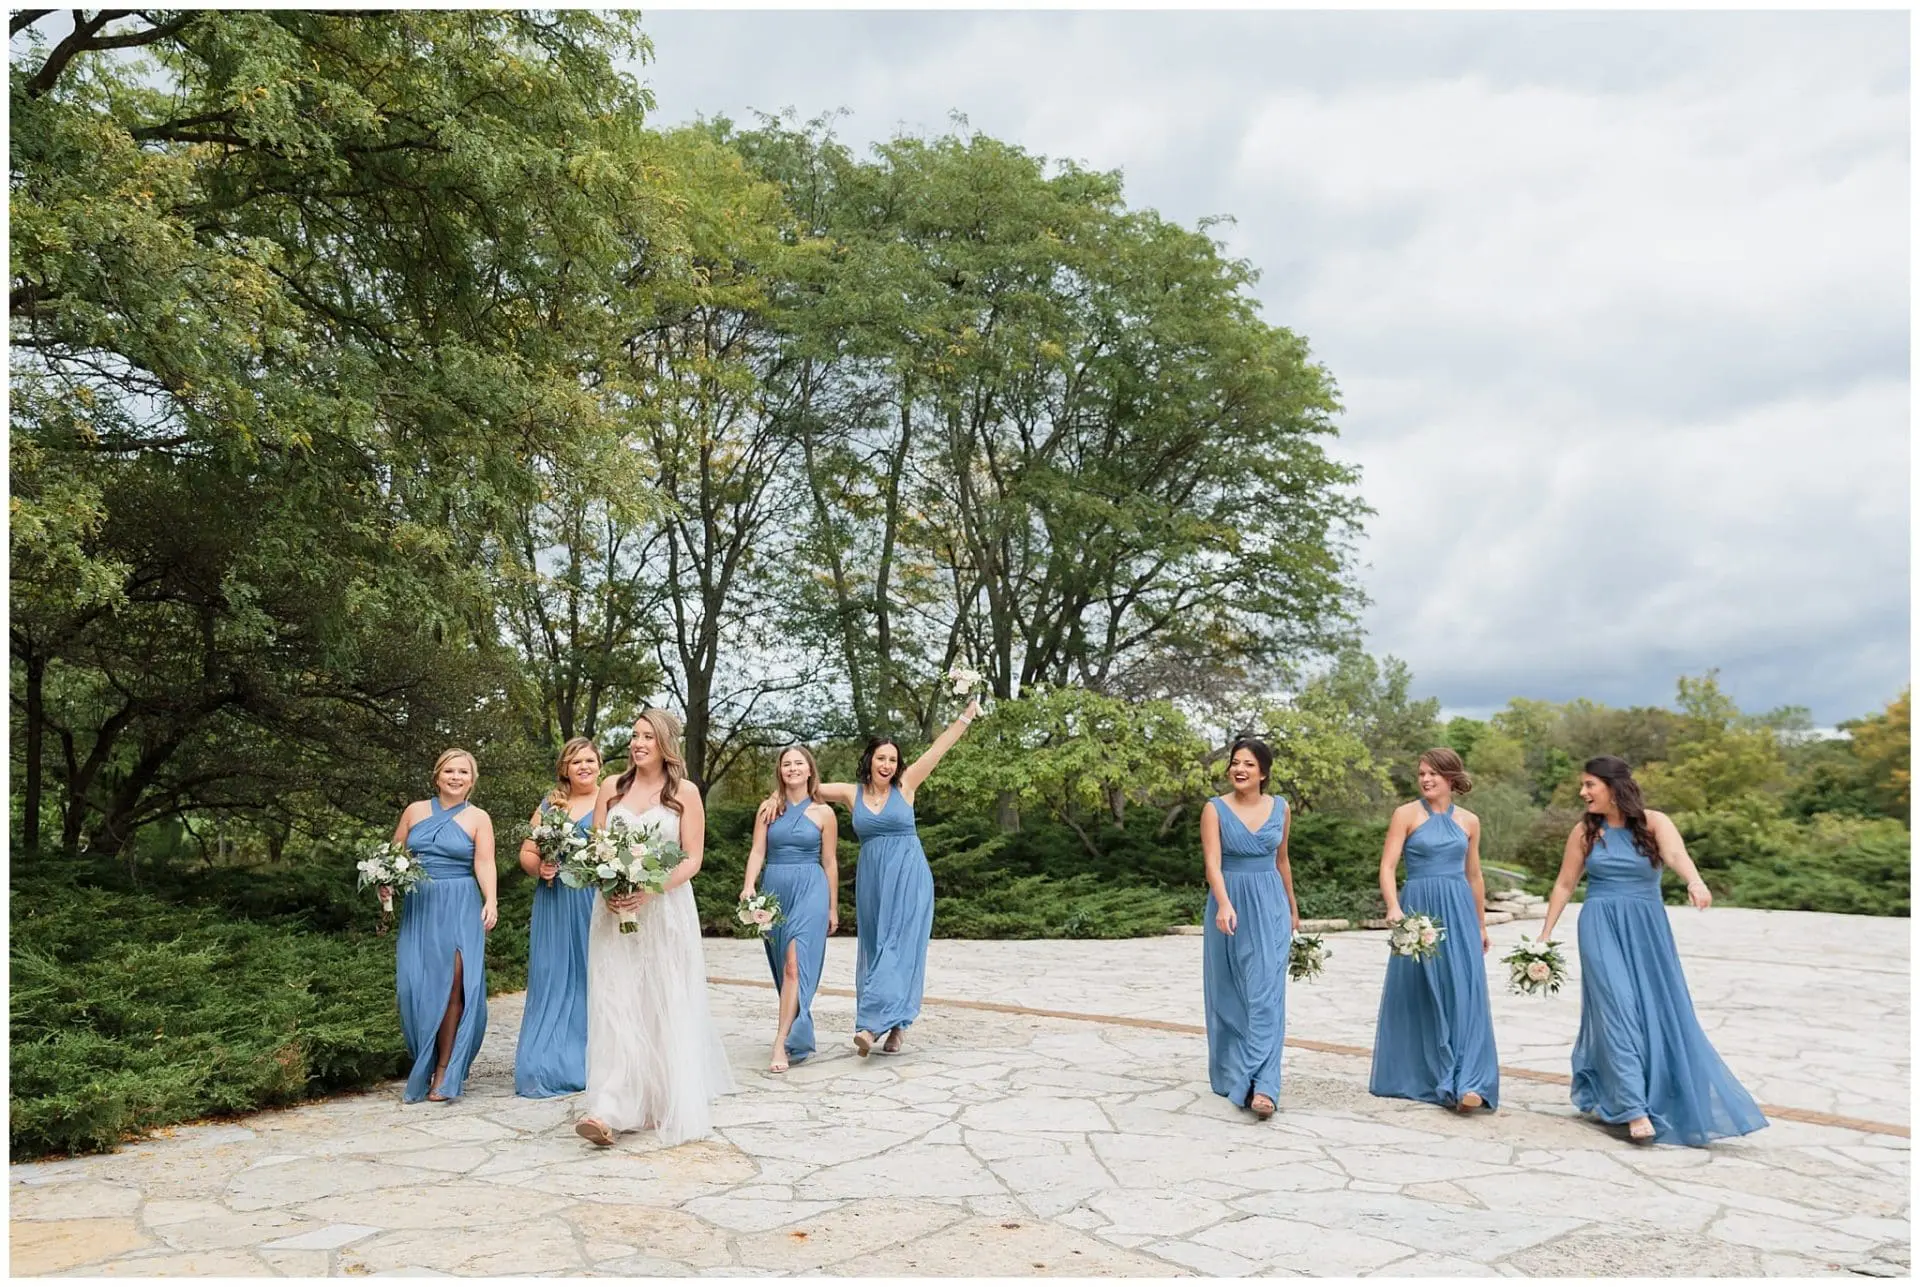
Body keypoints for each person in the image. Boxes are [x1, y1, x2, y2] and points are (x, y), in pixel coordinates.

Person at [1540, 755, 1768, 1146]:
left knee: (1657, 1009)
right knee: (1617, 1008)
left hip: (1647, 927)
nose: (1583, 792)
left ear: (1613, 787)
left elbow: (1677, 855)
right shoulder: (1584, 832)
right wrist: (1544, 936)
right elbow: (1564, 884)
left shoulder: (1655, 822)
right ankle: (1633, 1109)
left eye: (1590, 785)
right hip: (1600, 923)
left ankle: (1656, 1089)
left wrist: (1694, 882)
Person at [574, 710, 735, 1146]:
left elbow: (692, 858)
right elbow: (597, 850)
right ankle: (608, 1107)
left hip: (664, 909)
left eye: (647, 736)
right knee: (615, 1000)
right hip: (613, 912)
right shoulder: (612, 788)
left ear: (665, 743)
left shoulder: (685, 792)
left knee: (662, 998)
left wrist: (648, 889)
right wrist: (607, 887)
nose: (637, 743)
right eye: (634, 735)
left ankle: (661, 1097)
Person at [816, 698, 980, 1057]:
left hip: (909, 875)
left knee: (898, 948)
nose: (887, 765)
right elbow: (805, 786)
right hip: (873, 880)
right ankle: (897, 1027)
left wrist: (965, 717)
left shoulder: (906, 785)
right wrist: (776, 797)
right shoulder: (850, 793)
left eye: (892, 759)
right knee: (875, 948)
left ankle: (870, 1025)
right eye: (881, 758)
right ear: (869, 760)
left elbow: (939, 749)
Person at [1369, 747, 1500, 1113]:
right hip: (1418, 908)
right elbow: (1387, 865)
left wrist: (1481, 923)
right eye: (1422, 773)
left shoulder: (1470, 821)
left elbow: (1474, 875)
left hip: (1458, 909)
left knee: (1464, 990)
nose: (1426, 779)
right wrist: (1394, 906)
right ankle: (1429, 1074)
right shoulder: (1405, 814)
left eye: (1434, 774)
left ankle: (1470, 1081)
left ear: (1452, 779)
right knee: (1422, 989)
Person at [389, 748, 497, 1103]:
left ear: (472, 780)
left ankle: (444, 1071)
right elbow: (394, 856)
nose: (455, 777)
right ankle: (424, 1059)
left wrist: (490, 900)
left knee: (454, 987)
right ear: (437, 776)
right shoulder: (415, 811)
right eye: (449, 771)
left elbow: (484, 862)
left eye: (463, 772)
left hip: (460, 902)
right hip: (420, 904)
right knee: (412, 986)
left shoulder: (478, 817)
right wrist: (385, 880)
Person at [1201, 737, 1300, 1120]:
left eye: (1249, 764)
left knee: (1266, 994)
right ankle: (1239, 1070)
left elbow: (1282, 860)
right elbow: (1212, 863)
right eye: (1235, 762)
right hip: (1230, 905)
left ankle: (1265, 1087)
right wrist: (1224, 902)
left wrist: (1292, 907)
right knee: (1233, 992)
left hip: (1271, 905)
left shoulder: (1281, 808)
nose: (1240, 769)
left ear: (1263, 772)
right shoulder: (1214, 810)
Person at [512, 737, 601, 1098]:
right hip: (555, 899)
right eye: (575, 761)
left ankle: (591, 1058)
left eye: (589, 760)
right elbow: (527, 853)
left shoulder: (611, 799)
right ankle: (545, 1059)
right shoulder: (552, 804)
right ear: (564, 768)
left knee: (591, 972)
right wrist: (541, 868)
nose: (583, 767)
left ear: (599, 764)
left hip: (594, 898)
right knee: (552, 974)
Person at [744, 745, 840, 1072]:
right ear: (780, 771)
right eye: (787, 764)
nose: (793, 768)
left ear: (810, 770)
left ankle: (780, 1041)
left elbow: (829, 862)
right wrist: (748, 886)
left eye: (799, 763)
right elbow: (758, 851)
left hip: (811, 889)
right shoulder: (768, 809)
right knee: (781, 963)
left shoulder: (825, 813)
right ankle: (797, 1029)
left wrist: (833, 907)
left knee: (794, 966)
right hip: (775, 890)